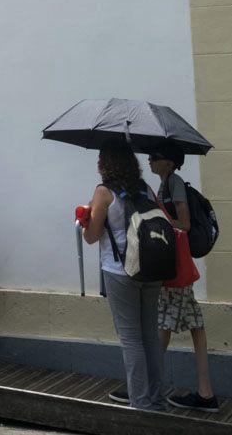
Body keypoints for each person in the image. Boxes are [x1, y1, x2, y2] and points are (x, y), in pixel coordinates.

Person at [78, 144, 166, 412]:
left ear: (105, 164)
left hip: (120, 271)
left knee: (130, 338)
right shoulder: (145, 188)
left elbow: (92, 237)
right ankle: (158, 400)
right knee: (150, 335)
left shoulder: (103, 192)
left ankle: (139, 403)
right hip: (152, 269)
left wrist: (86, 220)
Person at [150, 144, 218, 412]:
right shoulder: (166, 184)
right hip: (179, 264)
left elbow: (184, 224)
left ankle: (146, 385)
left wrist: (157, 216)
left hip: (176, 266)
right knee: (194, 324)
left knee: (163, 323)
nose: (150, 160)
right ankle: (205, 392)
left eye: (155, 156)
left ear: (168, 162)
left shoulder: (174, 183)